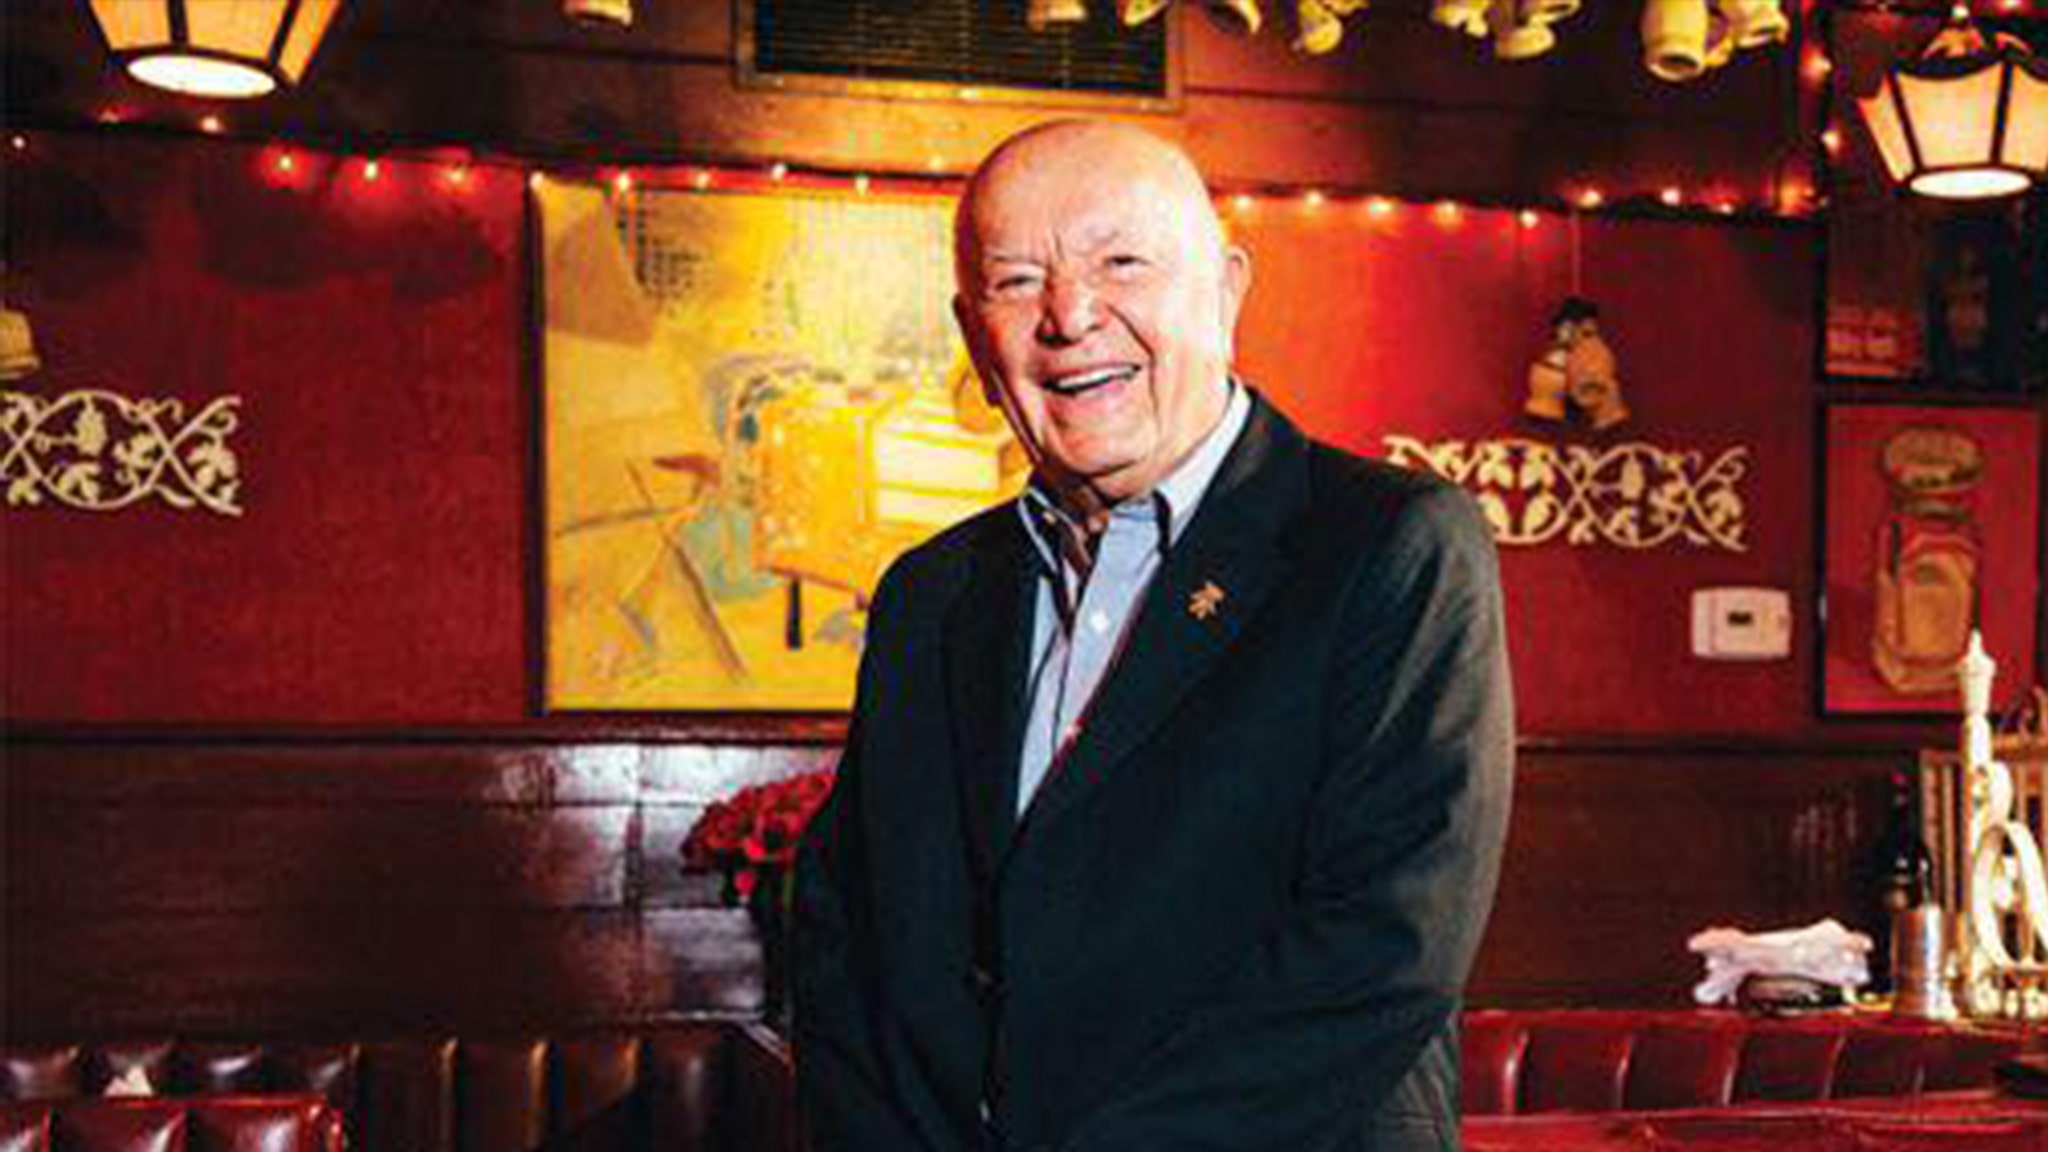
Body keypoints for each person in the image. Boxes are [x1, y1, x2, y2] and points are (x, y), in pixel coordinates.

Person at [793, 119, 1514, 1152]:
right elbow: (849, 934)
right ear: (972, 335)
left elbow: (1386, 944)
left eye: (1120, 263)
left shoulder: (1388, 545)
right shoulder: (929, 594)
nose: (1069, 317)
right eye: (1015, 281)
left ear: (1224, 292)